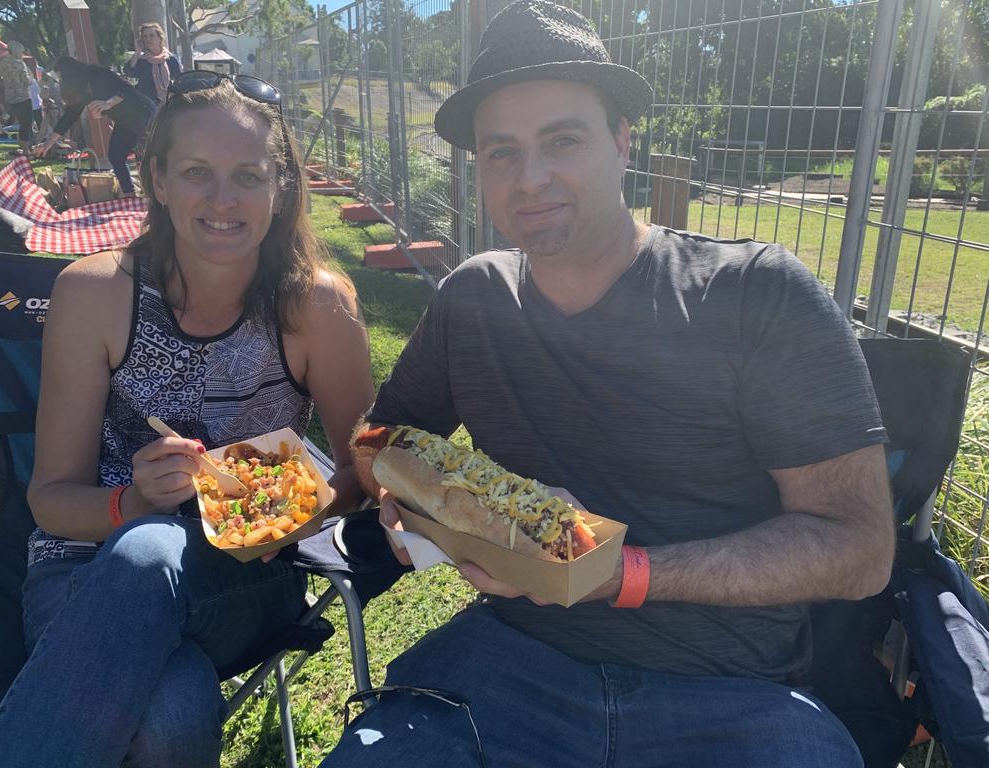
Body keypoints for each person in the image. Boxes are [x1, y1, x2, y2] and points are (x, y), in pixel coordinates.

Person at [329, 2, 895, 767]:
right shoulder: (473, 300)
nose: (531, 179)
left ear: (623, 141)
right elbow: (378, 440)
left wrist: (617, 574)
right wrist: (424, 508)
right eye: (502, 153)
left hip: (726, 694)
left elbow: (859, 548)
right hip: (505, 667)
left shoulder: (757, 293)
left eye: (562, 140)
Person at [0, 71, 374, 767]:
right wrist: (134, 502)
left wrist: (289, 510)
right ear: (157, 179)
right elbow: (52, 500)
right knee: (171, 711)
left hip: (246, 577)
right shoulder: (95, 293)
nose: (223, 199)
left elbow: (360, 472)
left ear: (279, 189)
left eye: (248, 175)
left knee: (151, 550)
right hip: (82, 569)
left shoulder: (318, 307)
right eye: (197, 173)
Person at [33, 56, 156, 196]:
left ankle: (158, 195)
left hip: (142, 112)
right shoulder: (81, 92)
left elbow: (127, 89)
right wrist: (48, 143)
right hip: (124, 121)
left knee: (148, 156)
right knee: (116, 156)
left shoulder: (97, 74)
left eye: (61, 78)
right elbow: (68, 118)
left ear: (70, 74)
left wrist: (108, 103)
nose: (60, 82)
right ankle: (130, 194)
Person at [124, 22, 181, 106]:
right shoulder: (141, 60)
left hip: (169, 104)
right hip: (147, 105)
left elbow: (179, 79)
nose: (148, 39)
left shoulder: (170, 59)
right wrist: (137, 52)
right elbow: (128, 71)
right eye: (145, 36)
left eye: (151, 35)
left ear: (160, 38)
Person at [0, 41, 35, 156]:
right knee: (27, 122)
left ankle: (22, 147)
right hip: (23, 96)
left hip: (10, 97)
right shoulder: (20, 64)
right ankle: (26, 150)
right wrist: (32, 80)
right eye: (21, 51)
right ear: (17, 51)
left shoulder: (3, 62)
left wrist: (4, 84)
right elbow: (27, 80)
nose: (22, 53)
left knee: (22, 122)